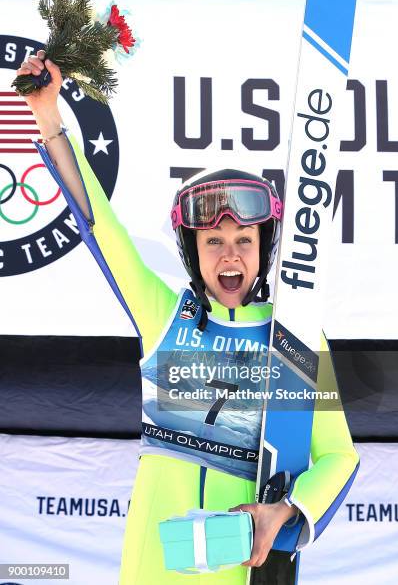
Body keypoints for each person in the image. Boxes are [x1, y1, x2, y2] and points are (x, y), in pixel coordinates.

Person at [16, 51, 360, 585]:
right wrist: (48, 117)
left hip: (241, 570)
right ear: (192, 251)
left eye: (244, 241)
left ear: (262, 248)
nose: (229, 256)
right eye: (214, 241)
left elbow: (338, 457)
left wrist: (284, 511)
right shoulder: (164, 316)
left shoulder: (292, 336)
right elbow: (98, 225)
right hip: (153, 569)